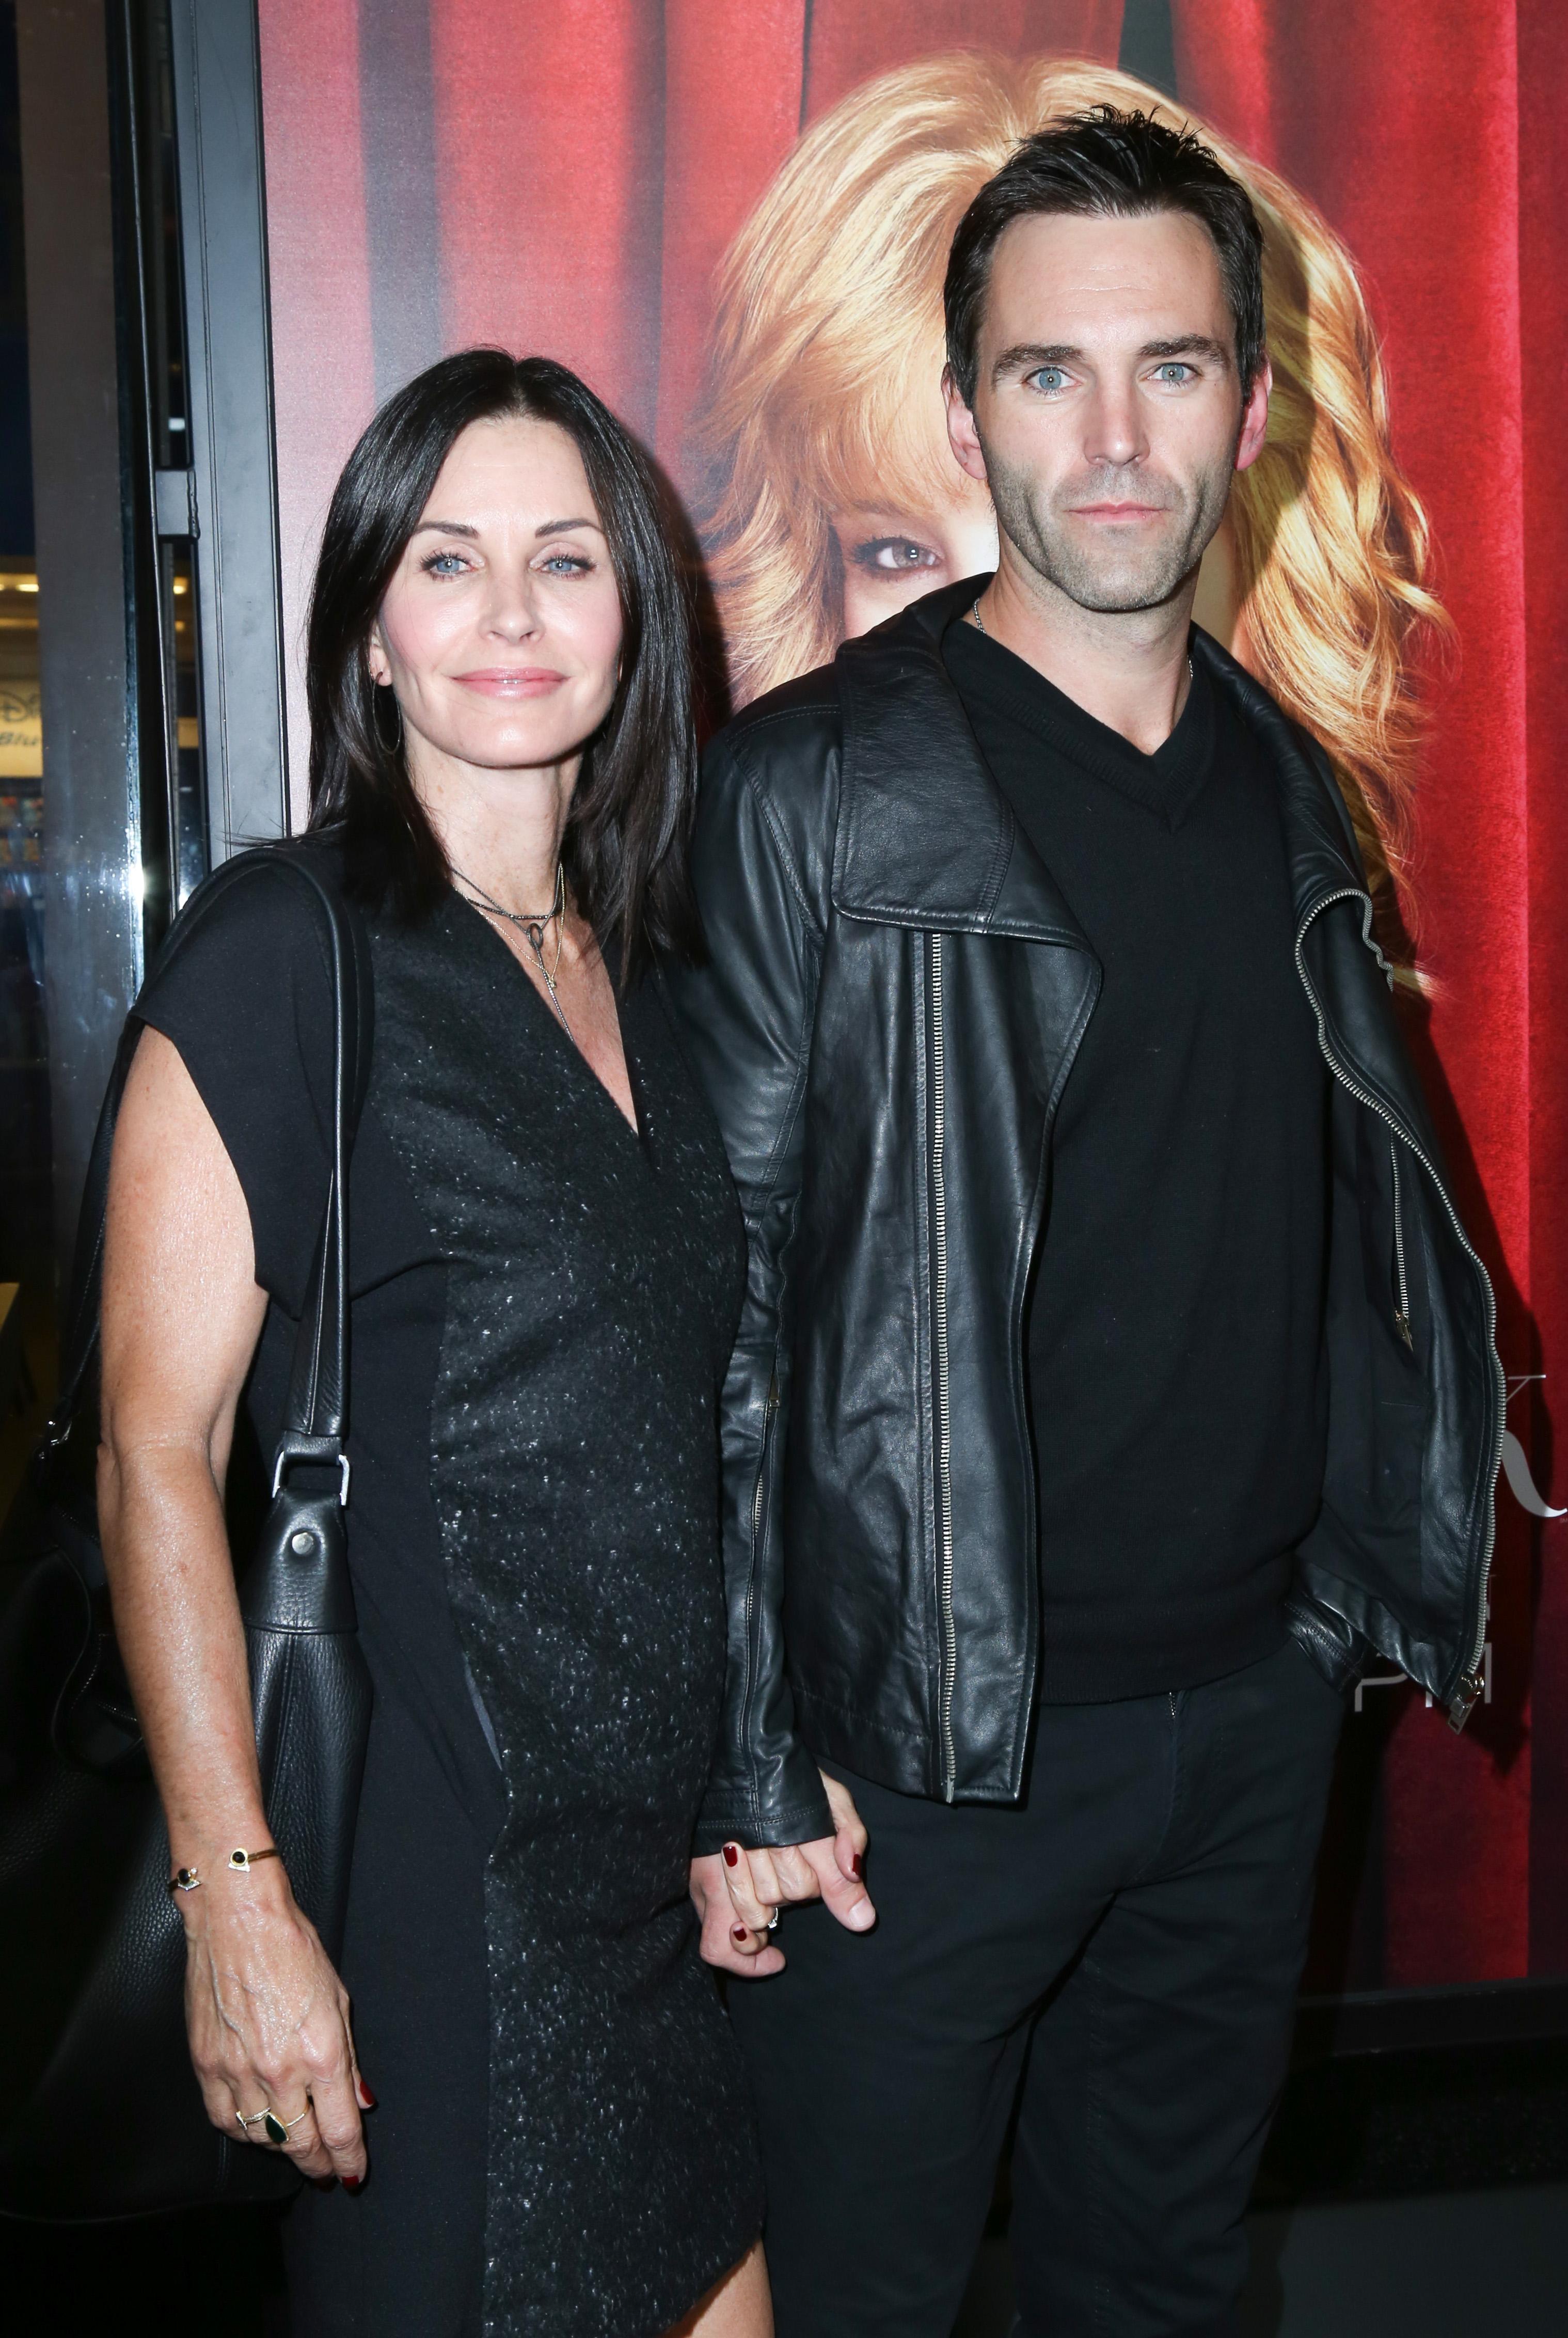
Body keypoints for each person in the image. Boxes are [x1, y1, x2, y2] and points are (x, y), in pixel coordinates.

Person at [676, 110, 1501, 2336]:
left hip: (1244, 1718)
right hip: (916, 1769)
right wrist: (755, 1753)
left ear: (1251, 408)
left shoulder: (1284, 779)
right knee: (863, 2302)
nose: (1114, 436)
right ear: (968, 415)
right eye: (1050, 374)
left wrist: (1327, 1633)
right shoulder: (816, 789)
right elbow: (720, 1316)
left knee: (1154, 2294)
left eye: (1169, 367)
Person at [97, 351, 770, 2338]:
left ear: (632, 612)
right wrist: (236, 1898)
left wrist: (734, 1787)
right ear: (369, 631)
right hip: (425, 1908)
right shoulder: (281, 950)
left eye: (563, 559)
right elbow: (155, 1441)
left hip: (647, 1913)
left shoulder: (653, 968)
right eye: (445, 559)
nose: (506, 613)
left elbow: (674, 1426)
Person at [696, 51, 1444, 938]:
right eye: (898, 555)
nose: (999, 632)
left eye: (1110, 523)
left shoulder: (1304, 873)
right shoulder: (763, 840)